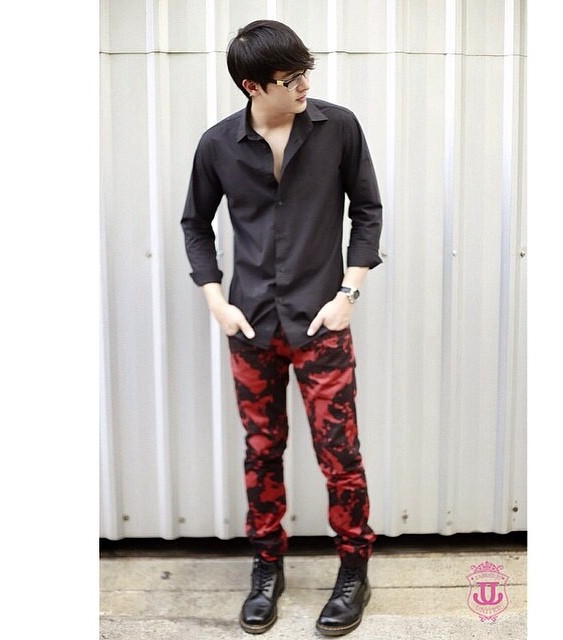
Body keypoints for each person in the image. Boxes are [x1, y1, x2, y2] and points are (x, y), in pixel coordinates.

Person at [180, 19, 382, 637]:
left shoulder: (338, 127)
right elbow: (195, 224)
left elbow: (367, 211)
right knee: (262, 450)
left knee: (339, 452)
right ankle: (267, 566)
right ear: (253, 85)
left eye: (305, 73)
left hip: (321, 321)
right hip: (251, 326)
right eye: (290, 78)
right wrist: (217, 300)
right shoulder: (218, 145)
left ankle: (354, 569)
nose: (304, 86)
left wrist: (348, 293)